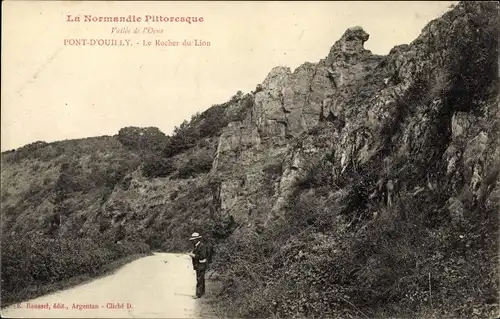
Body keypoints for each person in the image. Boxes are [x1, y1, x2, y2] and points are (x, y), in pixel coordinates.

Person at [188, 232, 208, 299]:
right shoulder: (197, 246)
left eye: (193, 240)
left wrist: (193, 255)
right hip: (199, 265)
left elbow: (202, 256)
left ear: (197, 239)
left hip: (201, 265)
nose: (192, 241)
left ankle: (198, 294)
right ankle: (202, 293)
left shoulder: (201, 246)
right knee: (201, 279)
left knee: (199, 279)